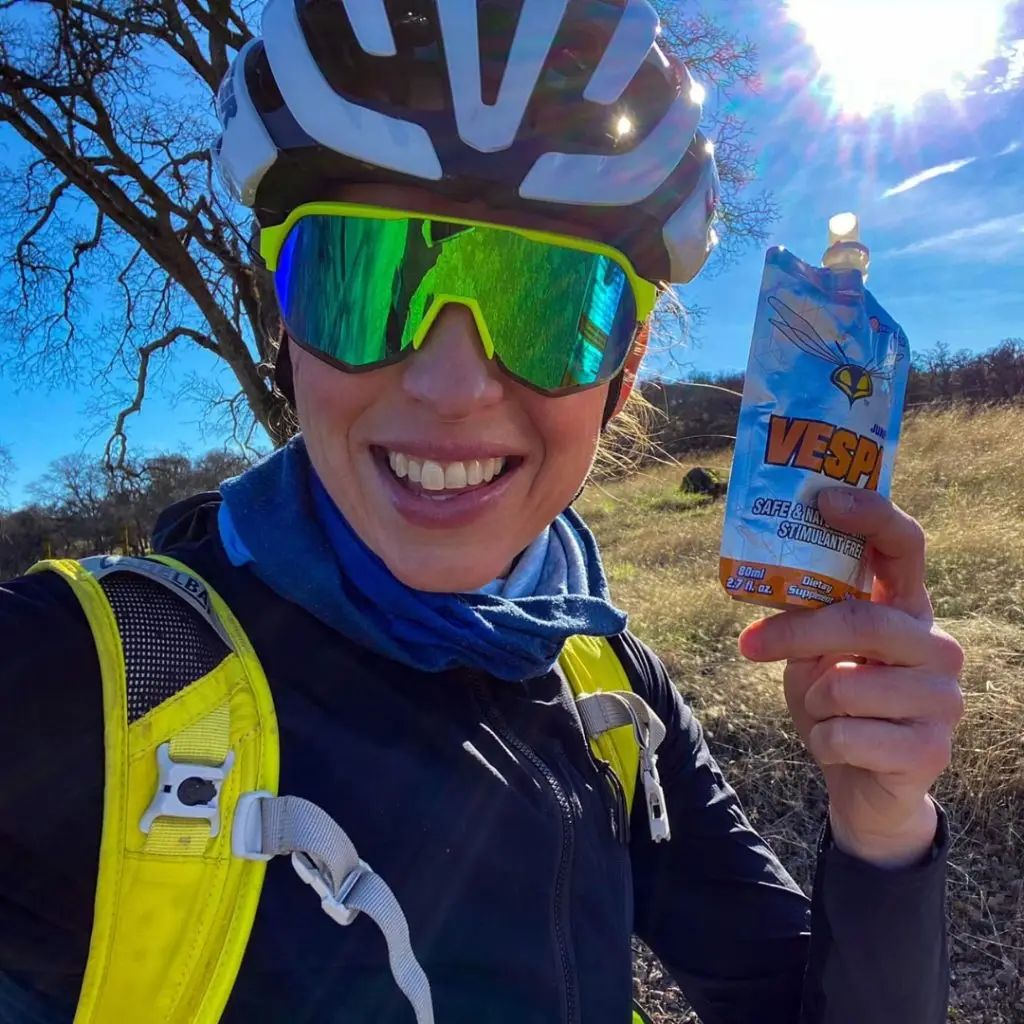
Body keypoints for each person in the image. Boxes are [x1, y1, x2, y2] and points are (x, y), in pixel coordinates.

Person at [0, 1, 965, 1022]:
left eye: (549, 304)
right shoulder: (72, 682)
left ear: (623, 374)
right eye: (364, 279)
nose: (450, 387)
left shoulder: (611, 689)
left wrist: (880, 824)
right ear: (286, 326)